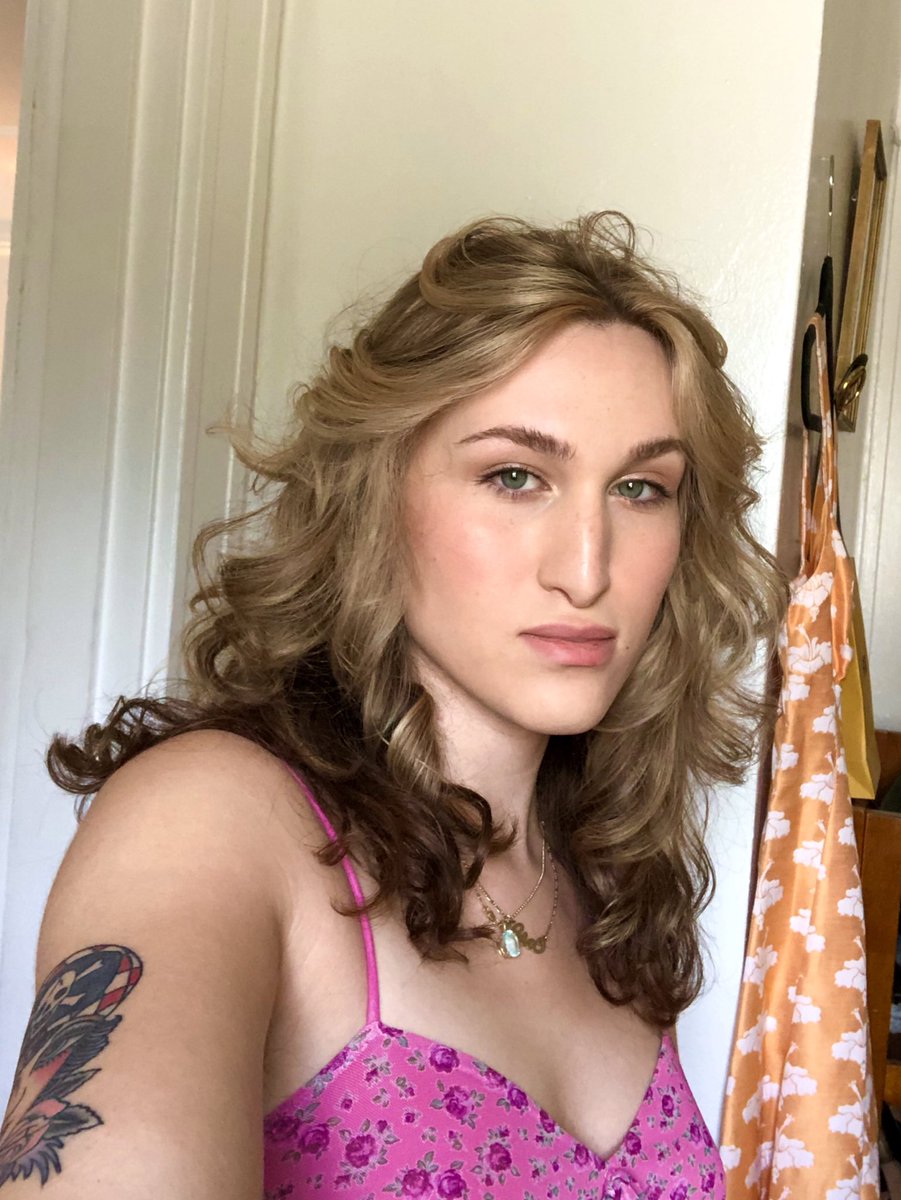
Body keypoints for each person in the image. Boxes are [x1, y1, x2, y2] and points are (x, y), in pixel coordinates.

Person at [0, 212, 786, 1198]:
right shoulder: (211, 819)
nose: (588, 571)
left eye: (639, 488)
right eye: (514, 476)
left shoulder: (596, 873)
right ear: (376, 494)